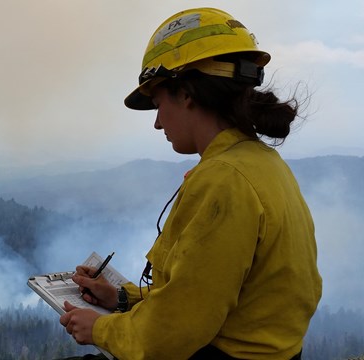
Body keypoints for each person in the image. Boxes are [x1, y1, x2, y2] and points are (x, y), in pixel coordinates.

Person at [59, 7, 322, 360]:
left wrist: (98, 328)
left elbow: (174, 332)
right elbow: (206, 298)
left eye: (157, 103)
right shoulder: (262, 164)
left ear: (185, 93)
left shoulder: (225, 181)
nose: (157, 123)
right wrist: (121, 298)